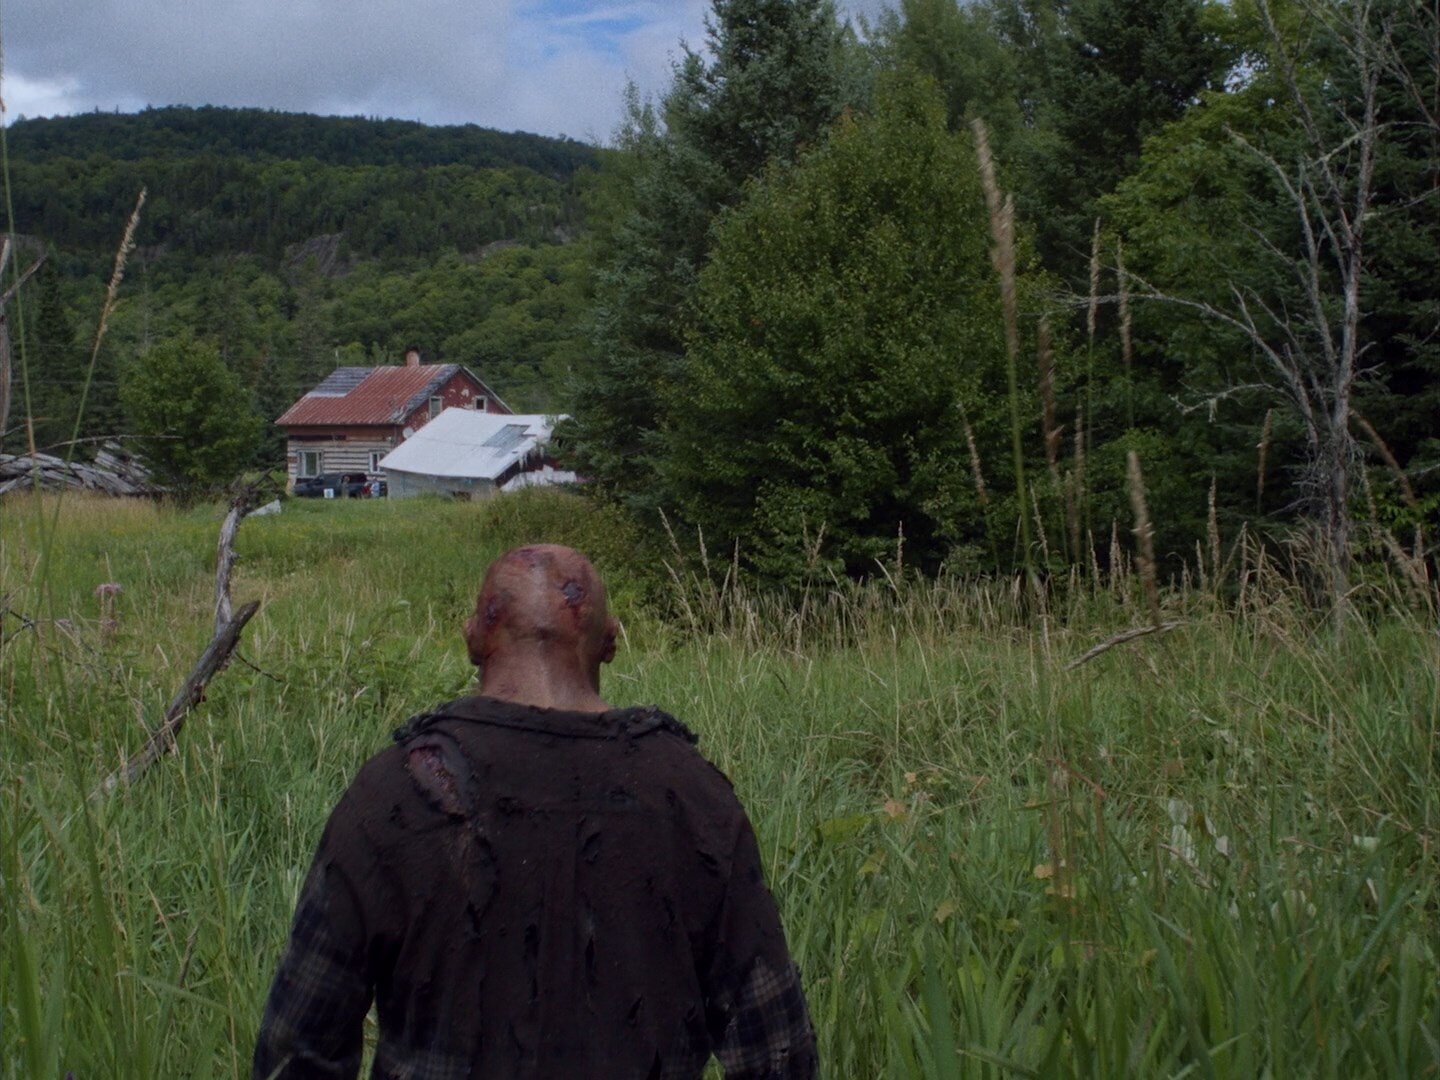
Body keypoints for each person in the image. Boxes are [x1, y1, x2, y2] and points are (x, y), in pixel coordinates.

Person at [254, 544, 816, 1079]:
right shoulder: (693, 795)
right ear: (610, 642)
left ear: (474, 638)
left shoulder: (393, 790)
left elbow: (298, 1043)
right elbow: (774, 1047)